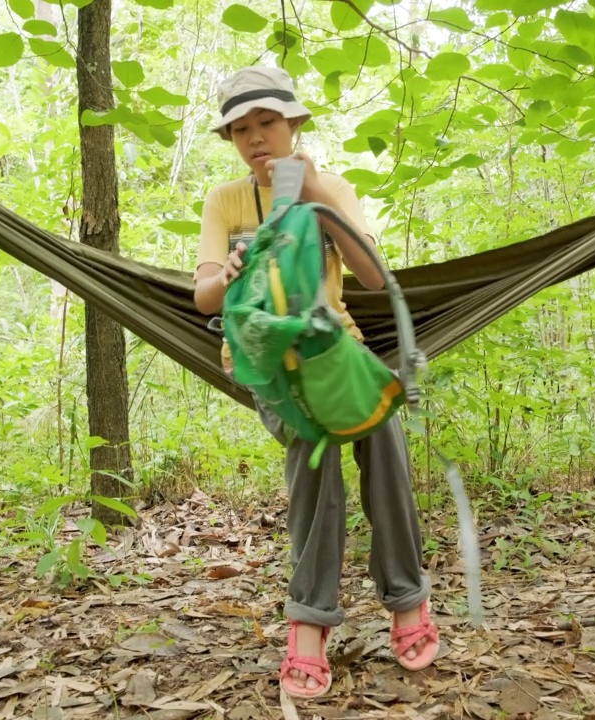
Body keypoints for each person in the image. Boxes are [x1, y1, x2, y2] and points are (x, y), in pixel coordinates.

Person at [191, 66, 439, 698]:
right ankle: (309, 623)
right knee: (313, 454)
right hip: (266, 362)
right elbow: (203, 296)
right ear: (230, 140)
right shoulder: (225, 200)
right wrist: (233, 269)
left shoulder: (331, 186)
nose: (255, 138)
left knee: (381, 436)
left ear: (293, 123)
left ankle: (407, 600)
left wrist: (319, 202)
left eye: (267, 122)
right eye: (240, 130)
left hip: (338, 349)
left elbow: (375, 277)